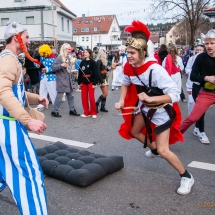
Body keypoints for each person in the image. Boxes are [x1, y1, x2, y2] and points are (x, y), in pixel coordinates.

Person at [115, 20, 194, 195]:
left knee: (165, 150)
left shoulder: (155, 70)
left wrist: (151, 98)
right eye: (127, 52)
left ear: (143, 53)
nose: (128, 56)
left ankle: (186, 176)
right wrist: (121, 101)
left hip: (162, 113)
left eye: (132, 53)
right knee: (134, 131)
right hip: (145, 109)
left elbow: (174, 94)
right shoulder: (130, 67)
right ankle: (154, 149)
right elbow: (125, 82)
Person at [0, 22, 48, 214]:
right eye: (26, 37)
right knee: (30, 175)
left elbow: (14, 91)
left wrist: (36, 97)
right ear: (16, 38)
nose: (29, 41)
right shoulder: (8, 59)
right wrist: (27, 120)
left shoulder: (10, 59)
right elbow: (3, 92)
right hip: (9, 127)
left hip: (5, 126)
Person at [179, 29, 215, 143]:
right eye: (207, 43)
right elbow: (193, 76)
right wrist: (206, 78)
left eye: (212, 43)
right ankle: (170, 137)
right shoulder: (200, 57)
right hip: (207, 92)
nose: (209, 46)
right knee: (193, 117)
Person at [184, 44, 209, 143]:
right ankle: (200, 131)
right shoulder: (192, 59)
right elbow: (188, 71)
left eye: (201, 50)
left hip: (206, 87)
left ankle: (197, 128)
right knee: (196, 108)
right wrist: (189, 87)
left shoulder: (208, 58)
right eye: (197, 50)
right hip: (195, 86)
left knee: (201, 110)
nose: (198, 52)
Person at [51, 43, 80, 117]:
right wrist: (61, 65)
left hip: (67, 80)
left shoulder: (67, 57)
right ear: (64, 49)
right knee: (59, 96)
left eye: (69, 49)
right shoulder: (59, 58)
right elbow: (53, 67)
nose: (69, 50)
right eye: (68, 49)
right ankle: (54, 111)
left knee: (70, 96)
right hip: (61, 80)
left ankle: (72, 110)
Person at [78, 49, 98, 119]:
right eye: (84, 52)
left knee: (91, 97)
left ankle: (93, 112)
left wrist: (94, 83)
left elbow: (96, 73)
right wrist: (79, 82)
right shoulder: (82, 62)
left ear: (89, 54)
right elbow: (80, 73)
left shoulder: (93, 62)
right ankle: (86, 112)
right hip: (83, 81)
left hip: (91, 81)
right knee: (84, 98)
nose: (85, 53)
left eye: (86, 52)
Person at [36, 44, 57, 111]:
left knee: (53, 92)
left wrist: (47, 68)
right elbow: (38, 65)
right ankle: (41, 105)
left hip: (51, 77)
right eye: (42, 53)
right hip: (43, 76)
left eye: (44, 53)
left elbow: (55, 68)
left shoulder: (53, 58)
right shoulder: (42, 57)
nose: (43, 54)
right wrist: (37, 65)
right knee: (42, 91)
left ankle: (56, 106)